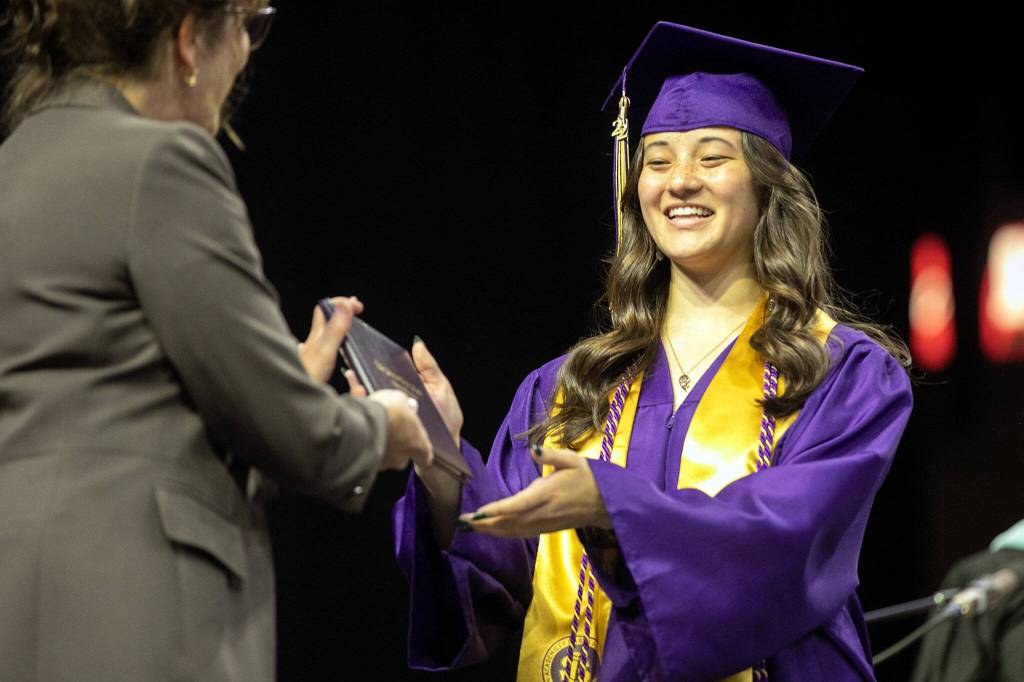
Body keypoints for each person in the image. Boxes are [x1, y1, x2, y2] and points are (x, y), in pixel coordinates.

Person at [387, 22, 914, 681]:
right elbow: (493, 582)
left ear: (766, 184)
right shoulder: (569, 387)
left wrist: (614, 509)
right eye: (658, 160)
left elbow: (783, 545)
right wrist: (438, 456)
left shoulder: (844, 376)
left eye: (713, 157)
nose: (679, 182)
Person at [0, 2, 432, 681]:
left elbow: (102, 403)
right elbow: (294, 431)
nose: (248, 55)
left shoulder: (15, 161)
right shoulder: (161, 163)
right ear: (188, 41)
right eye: (249, 25)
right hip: (130, 607)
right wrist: (382, 426)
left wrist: (276, 378)